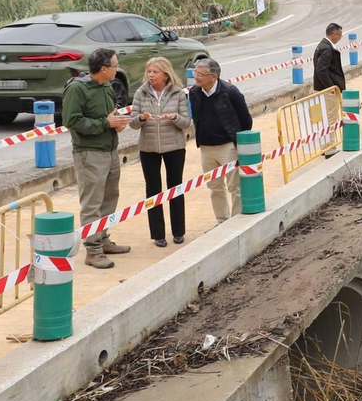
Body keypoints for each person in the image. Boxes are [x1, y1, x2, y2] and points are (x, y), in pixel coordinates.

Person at [63, 48, 132, 269]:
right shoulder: (77, 89)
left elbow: (110, 113)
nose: (117, 69)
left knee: (109, 198)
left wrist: (117, 122)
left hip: (110, 150)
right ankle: (93, 250)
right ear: (103, 68)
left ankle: (102, 239)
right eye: (115, 66)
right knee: (92, 203)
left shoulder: (107, 86)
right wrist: (105, 124)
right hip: (89, 153)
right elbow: (72, 121)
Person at [131, 56, 193, 248]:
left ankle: (178, 231)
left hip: (174, 147)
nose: (151, 75)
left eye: (155, 72)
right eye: (149, 71)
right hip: (148, 148)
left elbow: (186, 122)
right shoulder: (141, 93)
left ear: (165, 74)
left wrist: (174, 117)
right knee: (153, 190)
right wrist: (141, 118)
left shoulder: (178, 93)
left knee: (175, 188)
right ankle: (158, 234)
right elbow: (132, 123)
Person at [189, 58, 252, 223]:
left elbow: (245, 120)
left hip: (227, 146)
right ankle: (221, 220)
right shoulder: (194, 92)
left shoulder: (230, 92)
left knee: (234, 186)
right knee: (214, 187)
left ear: (213, 76)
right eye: (195, 73)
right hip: (206, 147)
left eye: (200, 74)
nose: (196, 77)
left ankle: (237, 221)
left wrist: (238, 141)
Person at [313, 23, 346, 92]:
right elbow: (321, 71)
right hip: (327, 90)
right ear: (334, 34)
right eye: (340, 36)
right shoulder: (327, 49)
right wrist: (331, 88)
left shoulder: (322, 45)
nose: (340, 38)